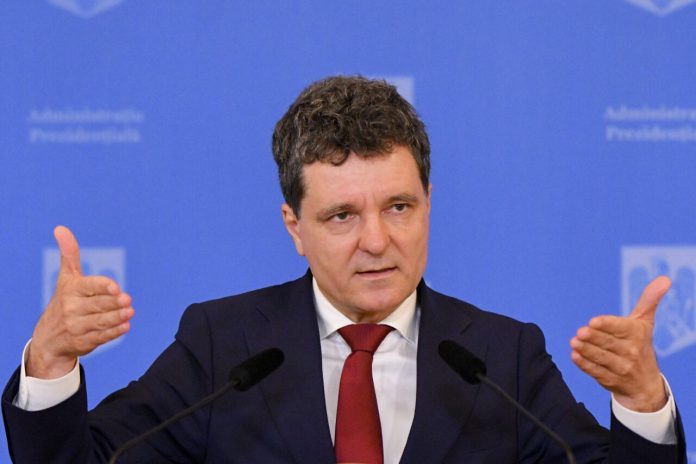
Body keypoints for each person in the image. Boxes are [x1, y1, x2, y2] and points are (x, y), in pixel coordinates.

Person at [1, 76, 686, 463]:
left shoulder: (502, 357)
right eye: (341, 216)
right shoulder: (223, 346)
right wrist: (51, 362)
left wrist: (641, 401)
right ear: (293, 227)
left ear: (428, 204)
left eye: (399, 207)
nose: (377, 241)